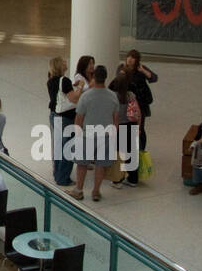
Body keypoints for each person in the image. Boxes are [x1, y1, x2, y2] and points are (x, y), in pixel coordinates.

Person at [73, 65, 119, 202]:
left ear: (93, 77)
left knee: (82, 164)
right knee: (100, 165)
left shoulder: (86, 96)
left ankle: (79, 190)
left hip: (87, 135)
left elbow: (79, 119)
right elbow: (115, 120)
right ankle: (96, 191)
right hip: (105, 136)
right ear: (105, 78)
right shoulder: (112, 96)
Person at [47, 56, 82, 187]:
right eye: (63, 62)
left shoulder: (50, 81)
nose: (66, 62)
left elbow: (60, 94)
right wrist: (80, 87)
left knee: (57, 145)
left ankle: (57, 173)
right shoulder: (65, 80)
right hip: (66, 117)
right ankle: (64, 177)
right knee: (68, 147)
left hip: (54, 115)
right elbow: (74, 98)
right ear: (59, 66)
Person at [121, 48, 157, 154]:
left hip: (141, 102)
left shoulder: (140, 69)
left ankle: (140, 150)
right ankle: (130, 149)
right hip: (128, 102)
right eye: (129, 57)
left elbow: (153, 78)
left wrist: (143, 71)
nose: (130, 59)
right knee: (129, 126)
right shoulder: (122, 68)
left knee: (140, 127)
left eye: (133, 57)